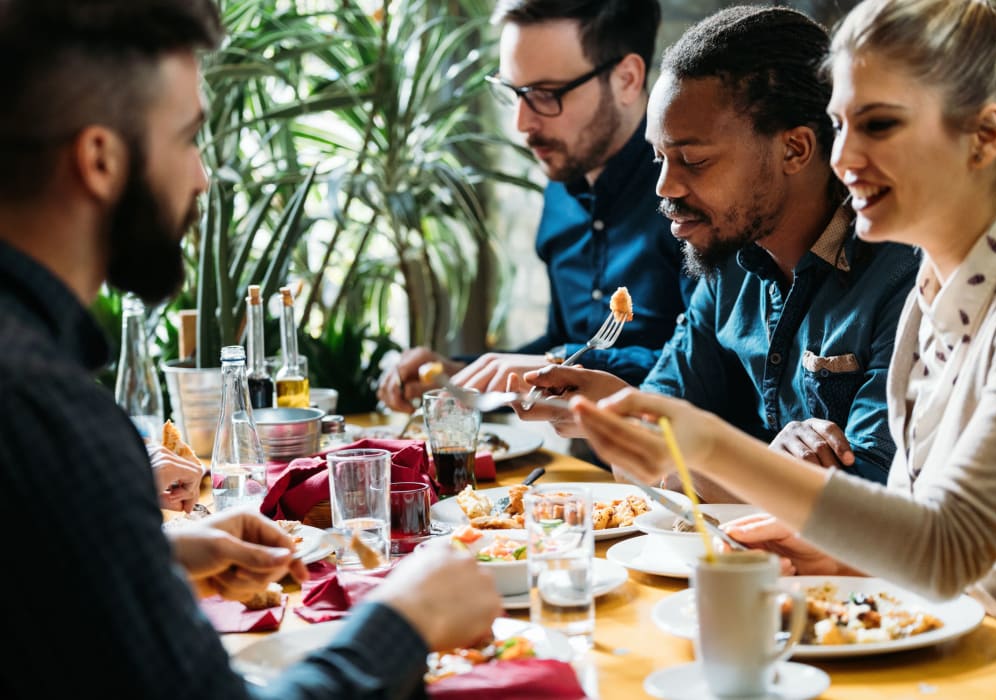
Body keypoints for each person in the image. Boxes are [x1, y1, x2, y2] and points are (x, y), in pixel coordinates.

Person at [0, 1, 502, 697]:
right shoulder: (48, 414)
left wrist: (153, 552)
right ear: (100, 159)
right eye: (186, 138)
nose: (202, 177)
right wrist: (405, 623)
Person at [571, 0, 996, 616]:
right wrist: (839, 558)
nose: (843, 156)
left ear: (984, 137)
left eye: (877, 125)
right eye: (839, 123)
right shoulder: (931, 300)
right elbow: (918, 529)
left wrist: (712, 448)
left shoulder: (912, 285)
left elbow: (945, 550)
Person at [511, 4, 920, 500]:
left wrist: (670, 443)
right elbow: (637, 463)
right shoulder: (730, 265)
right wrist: (624, 413)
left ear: (795, 149)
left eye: (694, 160)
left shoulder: (906, 277)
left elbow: (872, 508)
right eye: (659, 157)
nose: (664, 187)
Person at [376, 0, 692, 411]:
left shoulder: (691, 194)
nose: (522, 124)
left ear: (627, 79)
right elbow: (561, 340)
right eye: (513, 93)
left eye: (545, 95)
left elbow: (705, 364)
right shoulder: (561, 190)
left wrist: (559, 363)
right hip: (587, 468)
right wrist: (458, 372)